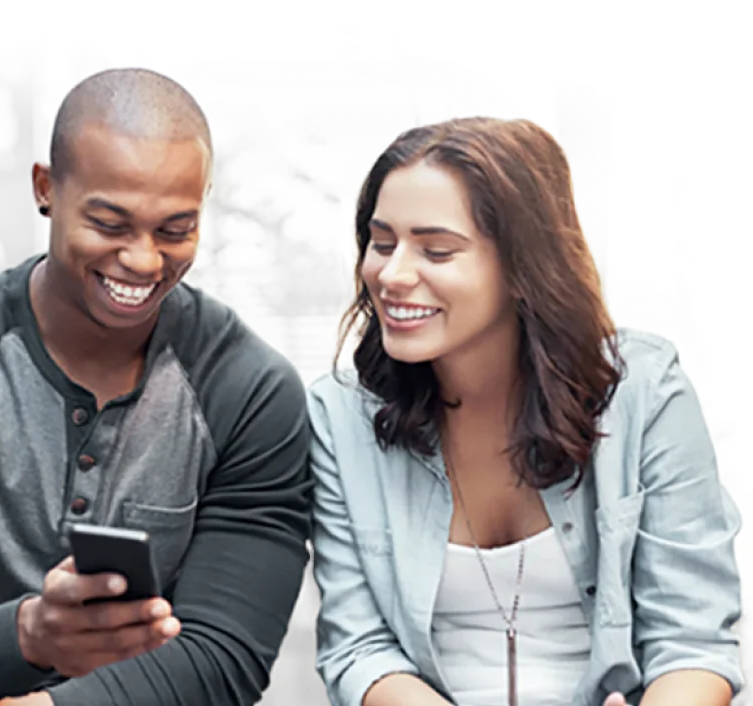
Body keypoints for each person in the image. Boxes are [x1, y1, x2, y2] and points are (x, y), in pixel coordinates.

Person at [0, 67, 313, 706]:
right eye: (110, 223)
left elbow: (224, 658)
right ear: (45, 188)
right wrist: (30, 634)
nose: (143, 259)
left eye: (174, 229)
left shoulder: (250, 391)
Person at [306, 117, 745, 706]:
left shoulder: (644, 391)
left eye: (436, 250)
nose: (392, 274)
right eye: (382, 244)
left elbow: (692, 643)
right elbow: (359, 649)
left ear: (523, 268)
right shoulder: (339, 416)